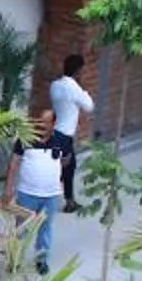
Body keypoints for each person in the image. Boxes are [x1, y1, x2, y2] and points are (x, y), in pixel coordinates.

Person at [5, 114, 66, 276]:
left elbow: (65, 163)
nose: (43, 125)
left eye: (47, 122)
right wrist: (8, 188)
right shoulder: (25, 140)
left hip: (51, 196)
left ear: (54, 123)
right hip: (27, 194)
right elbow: (13, 164)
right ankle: (15, 259)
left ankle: (41, 260)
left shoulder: (62, 141)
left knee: (45, 228)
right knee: (21, 228)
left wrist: (61, 188)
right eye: (41, 121)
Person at [48, 55, 95, 213]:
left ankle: (68, 200)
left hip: (55, 130)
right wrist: (84, 90)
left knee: (63, 167)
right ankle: (64, 200)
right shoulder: (74, 88)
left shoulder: (55, 85)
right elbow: (89, 106)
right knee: (64, 168)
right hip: (65, 134)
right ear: (78, 71)